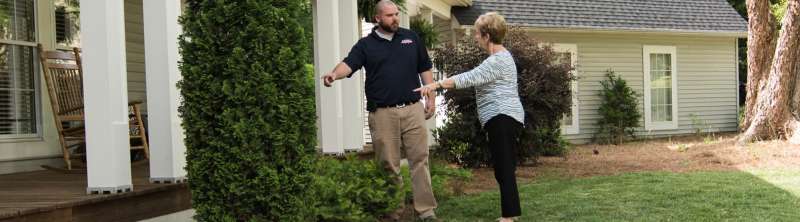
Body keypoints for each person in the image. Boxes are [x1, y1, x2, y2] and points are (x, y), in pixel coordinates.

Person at [321, 0, 439, 221]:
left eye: (396, 14)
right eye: (389, 16)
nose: (395, 18)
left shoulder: (411, 38)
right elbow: (349, 64)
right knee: (388, 164)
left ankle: (425, 211)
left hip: (413, 109)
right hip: (383, 113)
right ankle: (393, 211)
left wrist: (431, 97)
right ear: (377, 19)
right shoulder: (366, 45)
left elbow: (425, 68)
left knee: (420, 160)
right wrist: (334, 75)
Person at [415, 12, 523, 222]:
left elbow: (469, 77)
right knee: (505, 166)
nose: (475, 37)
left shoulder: (497, 60)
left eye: (477, 34)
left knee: (504, 167)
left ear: (487, 36)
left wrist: (435, 85)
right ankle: (512, 213)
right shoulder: (500, 57)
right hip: (504, 117)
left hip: (502, 117)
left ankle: (508, 217)